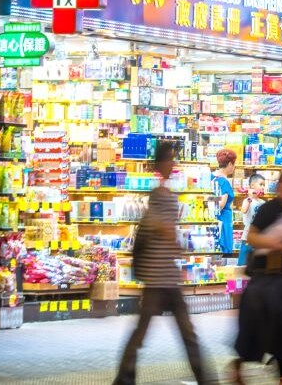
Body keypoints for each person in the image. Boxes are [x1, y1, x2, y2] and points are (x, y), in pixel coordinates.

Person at [113, 142, 209, 385]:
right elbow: (160, 226)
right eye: (170, 159)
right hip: (161, 277)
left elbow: (159, 227)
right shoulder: (160, 195)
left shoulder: (162, 194)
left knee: (150, 331)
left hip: (164, 275)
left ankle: (124, 377)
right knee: (180, 333)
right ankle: (204, 379)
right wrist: (173, 239)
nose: (173, 164)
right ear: (161, 164)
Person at [232, 169, 282, 385]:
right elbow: (252, 237)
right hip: (268, 278)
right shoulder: (268, 209)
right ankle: (274, 372)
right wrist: (277, 244)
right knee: (269, 324)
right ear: (277, 187)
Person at [236, 173, 268, 268]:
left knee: (258, 266)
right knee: (243, 265)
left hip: (260, 238)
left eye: (264, 185)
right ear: (252, 185)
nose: (262, 187)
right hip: (247, 237)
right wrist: (249, 197)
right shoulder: (247, 200)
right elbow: (244, 210)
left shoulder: (263, 203)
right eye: (261, 184)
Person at [213, 149, 238, 257]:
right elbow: (221, 204)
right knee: (224, 256)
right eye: (233, 164)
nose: (234, 167)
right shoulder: (223, 181)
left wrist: (209, 200)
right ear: (229, 164)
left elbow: (209, 199)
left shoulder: (211, 177)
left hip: (212, 221)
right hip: (223, 222)